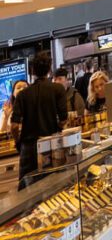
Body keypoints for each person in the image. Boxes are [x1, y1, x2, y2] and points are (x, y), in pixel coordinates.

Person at [11, 52, 67, 187]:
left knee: (27, 189)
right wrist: (57, 129)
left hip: (29, 148)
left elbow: (14, 126)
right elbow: (64, 120)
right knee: (54, 185)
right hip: (51, 145)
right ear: (49, 69)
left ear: (32, 71)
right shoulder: (57, 89)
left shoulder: (23, 95)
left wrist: (18, 142)